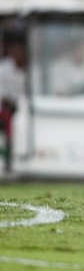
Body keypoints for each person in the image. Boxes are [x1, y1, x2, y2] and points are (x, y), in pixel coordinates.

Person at [0, 32, 27, 173]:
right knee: (8, 118)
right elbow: (3, 95)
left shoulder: (27, 70)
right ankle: (8, 158)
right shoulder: (4, 69)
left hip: (22, 107)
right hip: (5, 107)